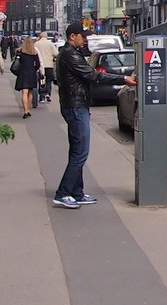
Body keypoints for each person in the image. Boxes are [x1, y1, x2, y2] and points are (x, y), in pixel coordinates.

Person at [53, 21, 135, 209]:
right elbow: (93, 75)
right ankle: (63, 193)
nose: (85, 40)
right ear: (72, 36)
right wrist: (123, 79)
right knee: (80, 152)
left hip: (76, 105)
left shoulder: (71, 53)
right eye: (83, 37)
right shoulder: (70, 55)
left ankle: (77, 192)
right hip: (75, 106)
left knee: (77, 150)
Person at [13, 37, 41, 118]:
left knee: (24, 93)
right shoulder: (34, 52)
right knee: (30, 92)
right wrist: (34, 69)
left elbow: (17, 62)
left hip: (23, 73)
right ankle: (28, 110)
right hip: (31, 73)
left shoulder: (20, 52)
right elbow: (38, 64)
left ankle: (25, 111)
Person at [33, 30, 58, 103]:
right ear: (46, 36)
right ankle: (48, 93)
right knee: (49, 80)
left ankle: (42, 97)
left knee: (41, 80)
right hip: (49, 65)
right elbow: (56, 53)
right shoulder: (50, 44)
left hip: (40, 65)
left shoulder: (36, 44)